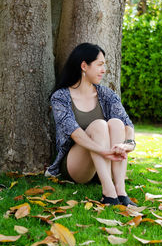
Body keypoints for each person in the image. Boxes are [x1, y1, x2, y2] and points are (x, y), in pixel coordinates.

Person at [45, 43, 137, 206]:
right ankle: (109, 194)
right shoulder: (60, 97)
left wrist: (128, 144)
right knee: (100, 125)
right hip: (77, 166)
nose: (104, 70)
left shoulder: (106, 94)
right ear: (84, 66)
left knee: (116, 122)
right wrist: (103, 151)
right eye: (99, 65)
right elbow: (75, 133)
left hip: (105, 164)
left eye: (104, 65)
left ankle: (121, 192)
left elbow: (127, 124)